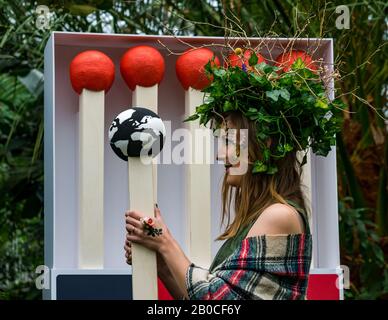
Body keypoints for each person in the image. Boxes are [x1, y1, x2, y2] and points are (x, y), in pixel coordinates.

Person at [124, 111, 312, 300]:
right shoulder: (265, 215)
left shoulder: (279, 215)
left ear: (264, 142)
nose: (219, 155)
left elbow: (219, 301)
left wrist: (165, 242)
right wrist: (163, 266)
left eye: (229, 141)